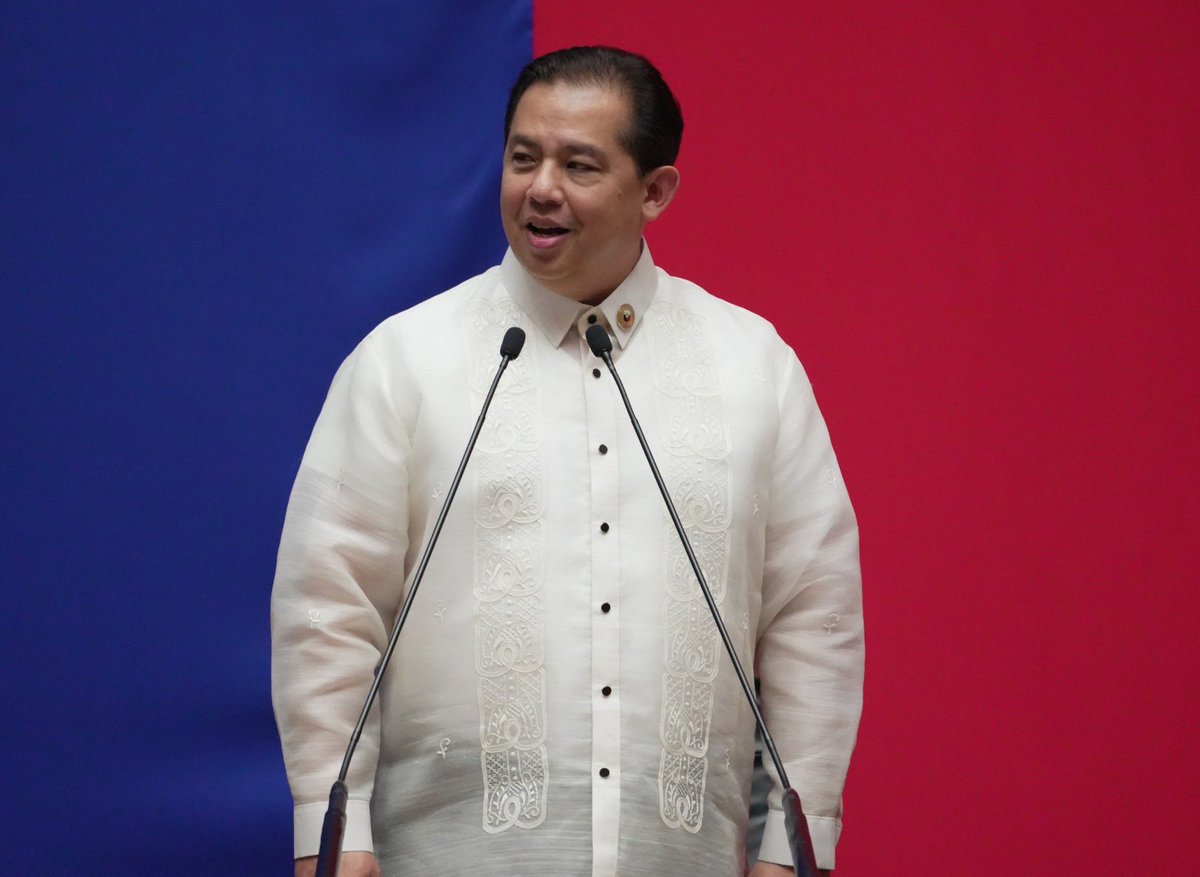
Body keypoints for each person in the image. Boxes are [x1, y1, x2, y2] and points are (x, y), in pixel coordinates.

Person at [272, 46, 863, 877]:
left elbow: (813, 615)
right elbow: (329, 606)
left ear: (655, 190)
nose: (541, 187)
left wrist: (793, 843)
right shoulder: (404, 360)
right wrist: (332, 830)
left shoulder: (752, 365)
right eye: (523, 157)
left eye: (579, 164)